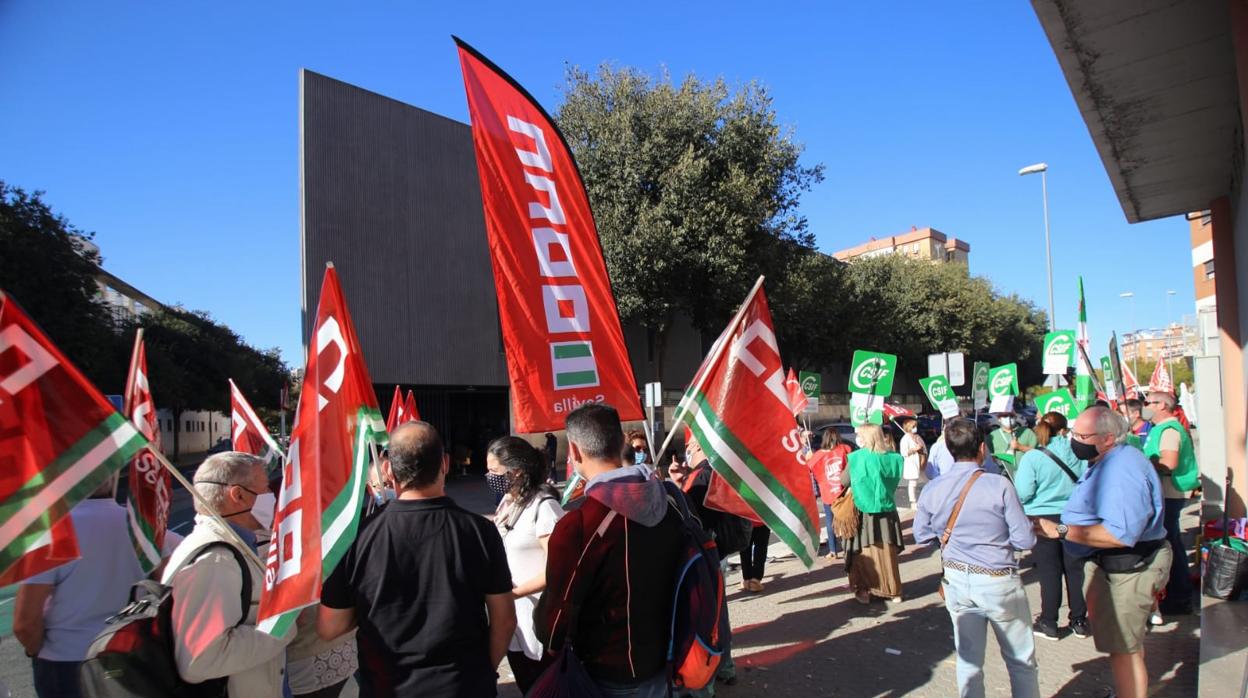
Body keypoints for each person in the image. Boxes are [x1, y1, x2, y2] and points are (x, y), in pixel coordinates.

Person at [319, 422, 516, 697]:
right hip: (464, 686)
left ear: (388, 469)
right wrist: (484, 672)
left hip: (387, 687)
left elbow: (330, 626)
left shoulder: (357, 538)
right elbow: (505, 619)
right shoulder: (480, 531)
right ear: (445, 464)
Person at [535, 403, 684, 697]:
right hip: (669, 658)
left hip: (606, 671)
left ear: (574, 452)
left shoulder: (578, 525)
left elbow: (554, 624)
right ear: (621, 443)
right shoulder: (672, 503)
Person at [1034, 407, 1170, 698]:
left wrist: (1059, 530)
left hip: (1128, 569)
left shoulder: (1122, 470)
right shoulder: (1111, 459)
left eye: (1083, 436)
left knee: (1124, 649)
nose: (1075, 441)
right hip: (1115, 568)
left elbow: (1120, 534)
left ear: (1108, 438)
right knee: (1123, 647)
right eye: (1074, 434)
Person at [14, 476, 179, 698]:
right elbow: (169, 590)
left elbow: (25, 623)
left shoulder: (52, 533)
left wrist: (36, 651)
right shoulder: (142, 526)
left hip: (67, 661)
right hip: (130, 652)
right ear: (112, 481)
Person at [914, 418, 1040, 698]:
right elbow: (1025, 540)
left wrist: (949, 537)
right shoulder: (1000, 486)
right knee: (1021, 661)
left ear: (948, 449)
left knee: (969, 661)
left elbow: (921, 536)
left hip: (957, 580)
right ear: (983, 448)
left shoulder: (933, 488)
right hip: (998, 581)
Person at [163, 452, 293, 695]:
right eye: (265, 488)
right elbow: (199, 660)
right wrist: (283, 626)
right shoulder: (215, 561)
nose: (272, 497)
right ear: (239, 495)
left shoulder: (233, 547)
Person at [488, 436, 565, 694]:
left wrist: (514, 592)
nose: (490, 477)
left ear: (517, 470)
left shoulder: (544, 506)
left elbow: (559, 567)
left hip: (539, 624)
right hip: (514, 621)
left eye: (495, 472)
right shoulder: (509, 502)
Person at [1013, 412, 1089, 641]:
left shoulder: (1033, 457)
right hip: (1075, 515)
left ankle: (1049, 622)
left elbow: (1023, 492)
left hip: (1042, 519)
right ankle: (1079, 621)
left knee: (1049, 572)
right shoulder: (1079, 453)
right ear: (1065, 430)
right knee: (1076, 571)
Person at [1142, 391, 1198, 617]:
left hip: (1169, 493)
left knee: (1170, 546)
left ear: (1162, 405)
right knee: (1171, 543)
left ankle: (1178, 596)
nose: (1145, 406)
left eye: (1149, 402)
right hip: (1166, 492)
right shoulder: (1162, 429)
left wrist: (1146, 464)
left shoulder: (1169, 430)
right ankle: (1178, 594)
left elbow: (1169, 462)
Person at [842, 423, 905, 604]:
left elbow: (844, 480)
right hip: (887, 510)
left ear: (866, 437)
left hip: (863, 512)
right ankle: (894, 590)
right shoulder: (894, 458)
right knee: (887, 550)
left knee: (862, 551)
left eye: (859, 435)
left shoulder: (856, 458)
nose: (856, 438)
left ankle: (864, 590)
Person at [808, 429, 852, 560]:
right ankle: (847, 547)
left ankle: (833, 550)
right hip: (843, 491)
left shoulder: (818, 455)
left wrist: (809, 456)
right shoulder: (845, 448)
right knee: (845, 519)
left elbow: (808, 467)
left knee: (829, 520)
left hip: (827, 492)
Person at [988, 402, 1036, 477]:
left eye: (1011, 415)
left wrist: (1020, 447)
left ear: (1016, 417)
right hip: (1003, 475)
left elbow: (1038, 452)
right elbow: (989, 458)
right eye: (1005, 416)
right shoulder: (992, 436)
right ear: (999, 418)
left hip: (1026, 475)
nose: (1008, 418)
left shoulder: (1027, 432)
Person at [898, 417, 927, 509]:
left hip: (921, 461)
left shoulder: (917, 437)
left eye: (916, 426)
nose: (915, 428)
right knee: (913, 482)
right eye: (913, 426)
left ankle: (927, 497)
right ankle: (913, 501)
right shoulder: (905, 439)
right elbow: (904, 453)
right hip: (912, 462)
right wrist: (915, 449)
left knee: (927, 481)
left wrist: (923, 452)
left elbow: (924, 448)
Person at [739, 524, 771, 593]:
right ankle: (755, 579)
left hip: (743, 518)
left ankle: (747, 579)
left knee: (745, 549)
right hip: (760, 519)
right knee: (760, 548)